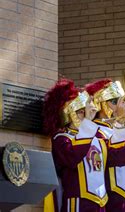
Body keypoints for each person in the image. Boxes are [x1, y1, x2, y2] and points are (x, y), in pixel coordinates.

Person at [43, 79, 107, 211]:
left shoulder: (96, 136)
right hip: (78, 200)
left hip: (100, 201)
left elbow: (120, 158)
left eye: (85, 111)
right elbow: (72, 157)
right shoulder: (61, 138)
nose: (85, 114)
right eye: (81, 111)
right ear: (69, 113)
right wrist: (88, 123)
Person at [85, 78, 125, 212]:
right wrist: (120, 121)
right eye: (114, 101)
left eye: (122, 100)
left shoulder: (123, 126)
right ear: (99, 104)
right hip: (113, 192)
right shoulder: (95, 130)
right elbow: (119, 156)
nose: (121, 105)